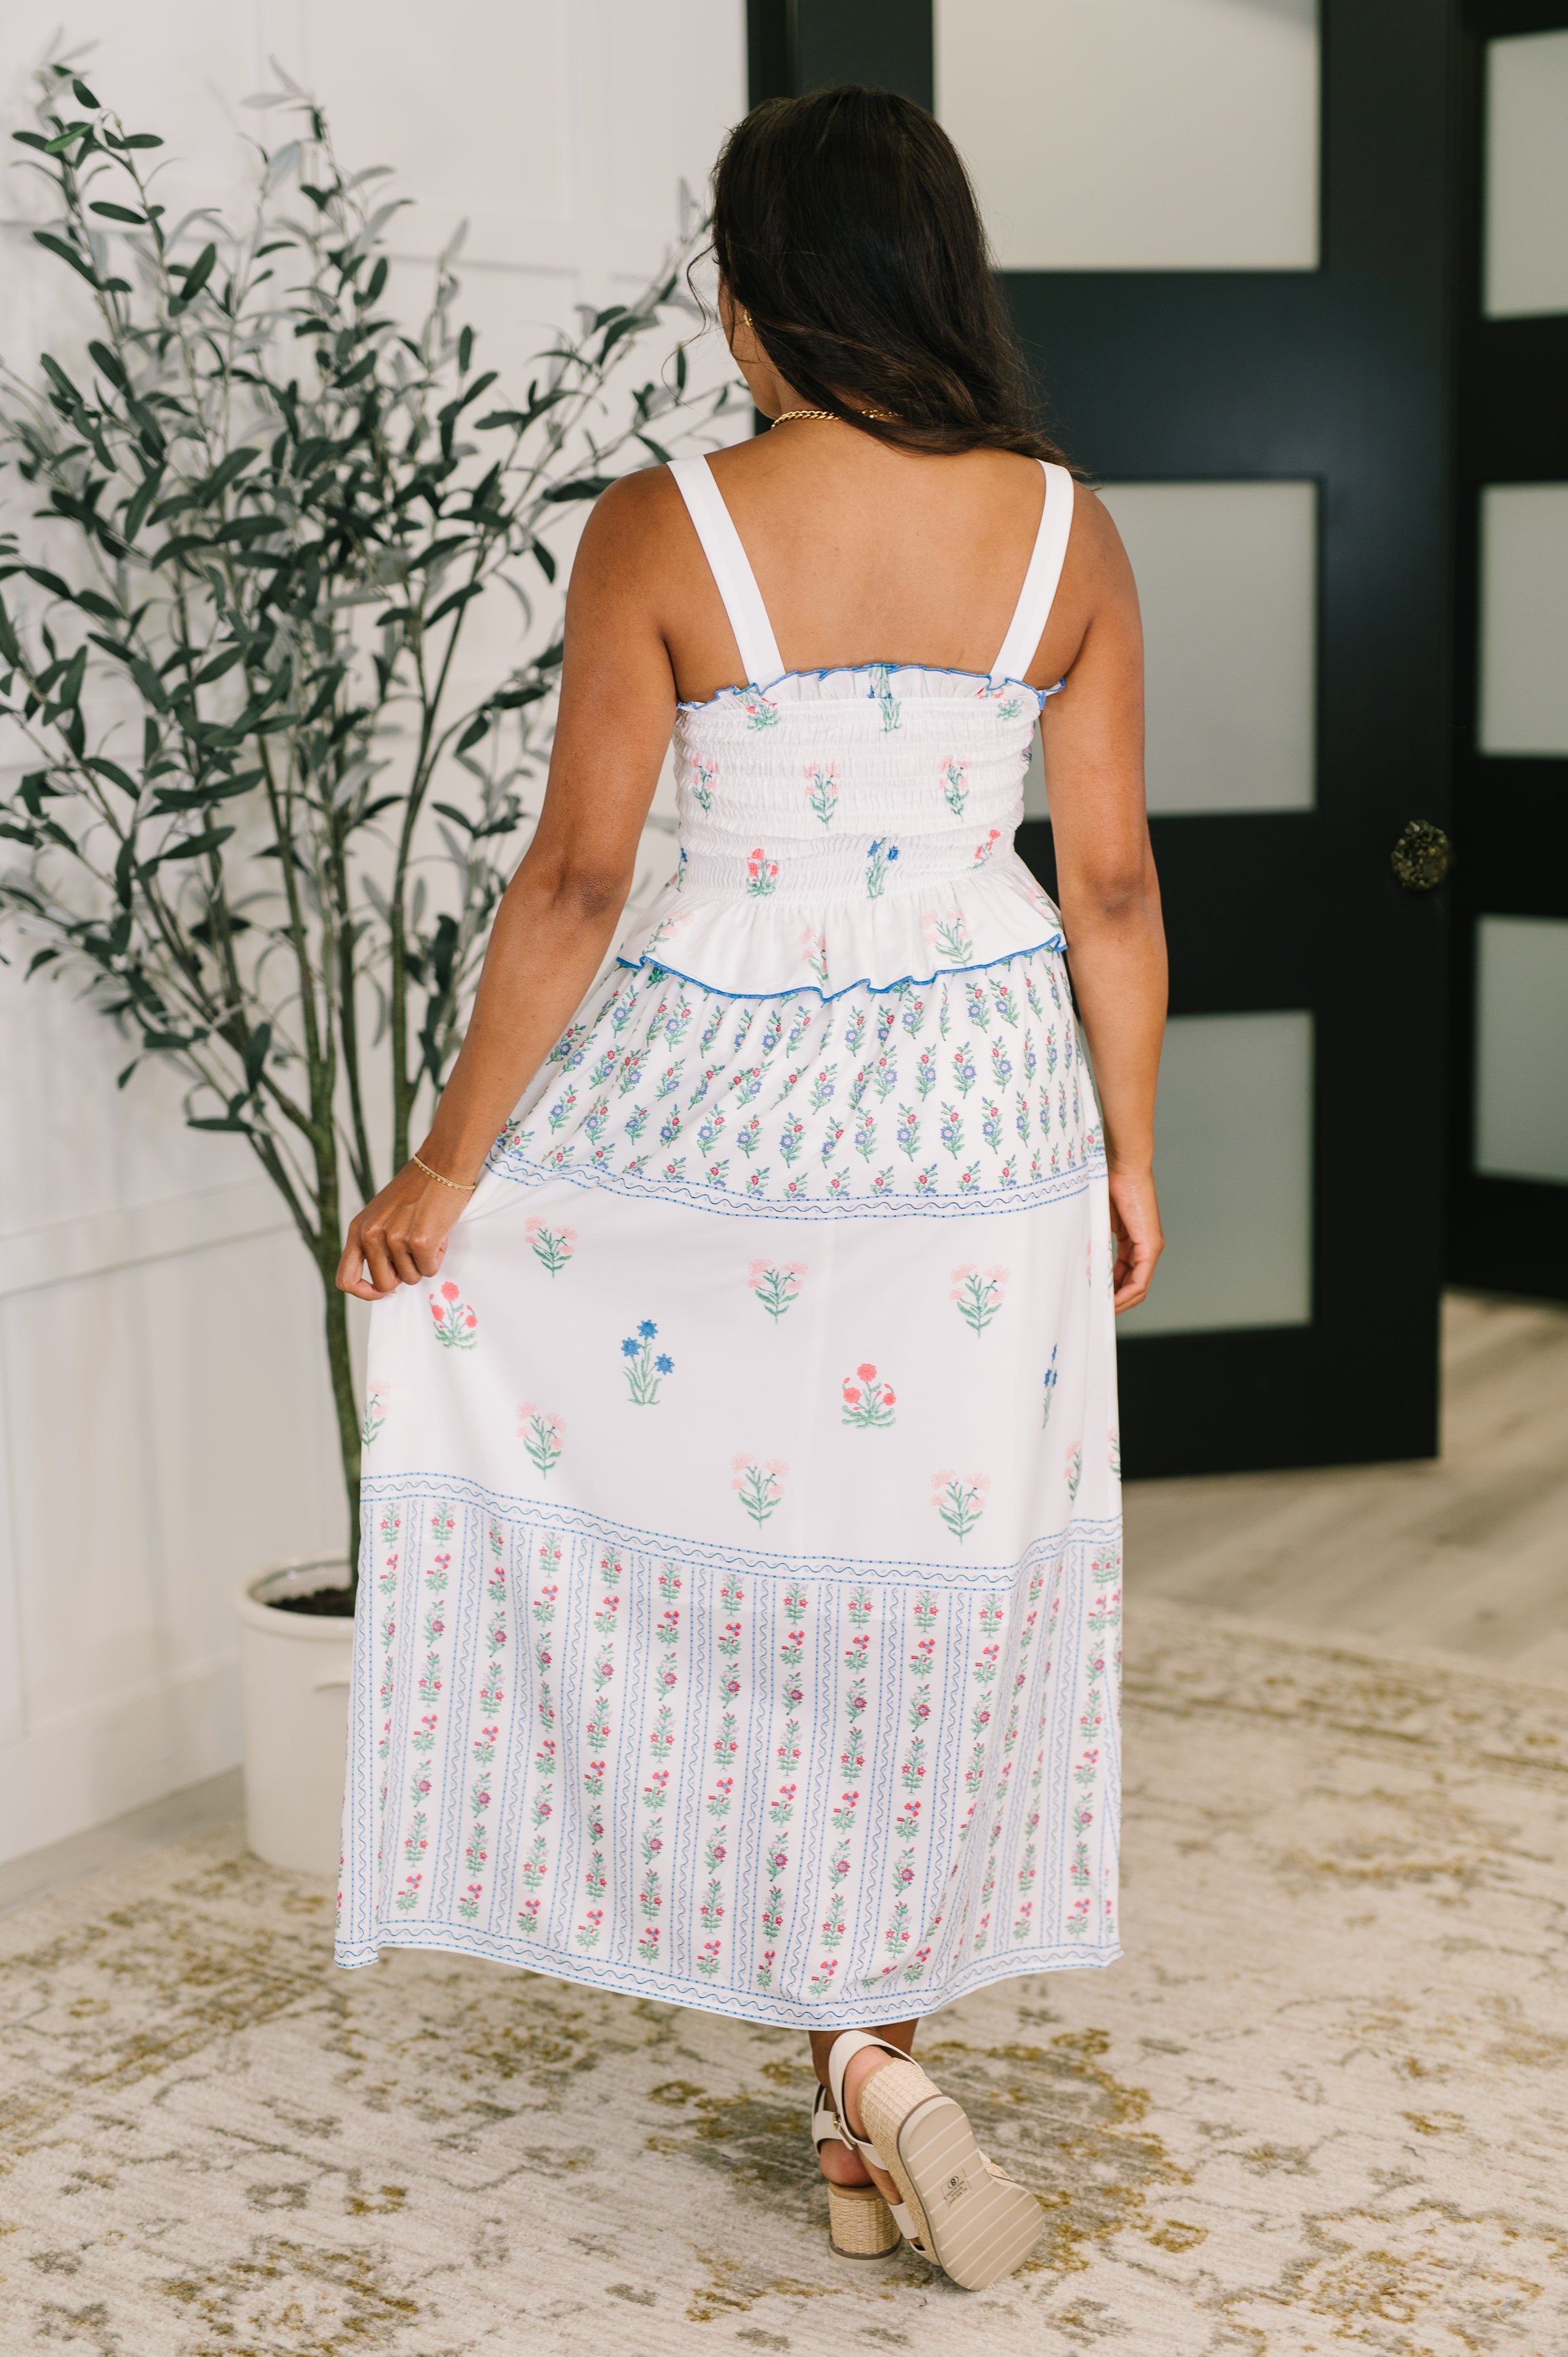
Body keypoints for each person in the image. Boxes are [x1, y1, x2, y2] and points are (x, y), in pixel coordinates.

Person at [335, 85, 1164, 2292]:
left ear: (757, 292)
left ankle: (856, 2081)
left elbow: (577, 880)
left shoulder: (662, 526)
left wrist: (450, 1167)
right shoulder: (1063, 533)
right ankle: (864, 2081)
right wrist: (1129, 1150)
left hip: (721, 1116)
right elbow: (1106, 883)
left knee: (735, 1578)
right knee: (922, 1588)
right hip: (982, 1125)